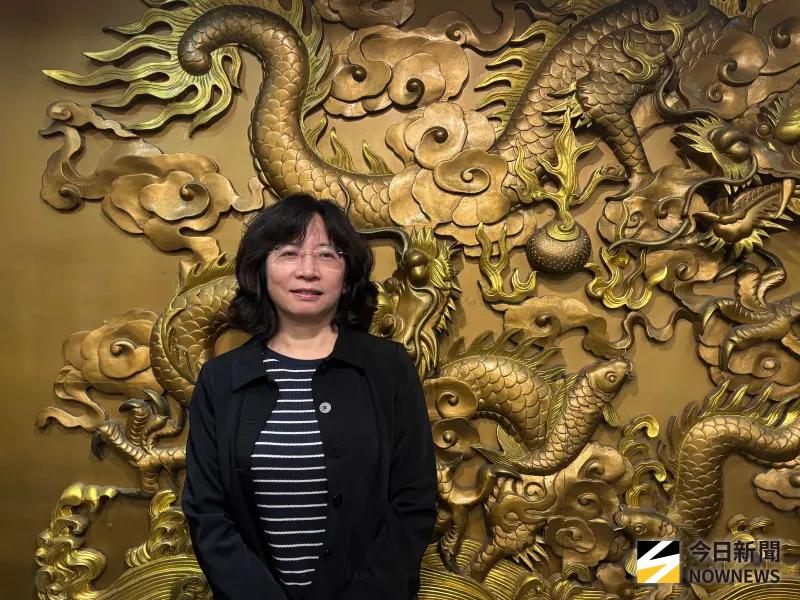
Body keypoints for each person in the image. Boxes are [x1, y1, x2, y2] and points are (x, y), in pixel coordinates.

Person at [182, 194, 437, 600]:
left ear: (348, 276)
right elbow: (207, 513)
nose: (307, 270)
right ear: (260, 270)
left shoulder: (389, 369)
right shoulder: (221, 379)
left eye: (327, 255)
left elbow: (413, 502)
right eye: (288, 253)